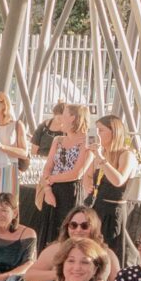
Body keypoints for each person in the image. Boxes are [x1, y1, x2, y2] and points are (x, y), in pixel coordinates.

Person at [34, 103, 92, 244]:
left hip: (71, 191)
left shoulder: (88, 141)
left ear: (73, 117)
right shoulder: (58, 140)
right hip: (52, 190)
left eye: (64, 114)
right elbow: (48, 166)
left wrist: (49, 179)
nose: (59, 119)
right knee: (50, 232)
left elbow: (76, 173)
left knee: (67, 231)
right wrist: (47, 190)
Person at [89, 115, 140, 244]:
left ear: (114, 132)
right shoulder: (102, 154)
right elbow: (88, 175)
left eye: (101, 130)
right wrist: (88, 185)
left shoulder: (126, 155)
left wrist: (101, 159)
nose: (98, 135)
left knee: (110, 247)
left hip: (113, 209)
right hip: (97, 206)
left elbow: (118, 181)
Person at [0, 89, 31, 201]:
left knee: (7, 205)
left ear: (3, 104)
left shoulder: (16, 125)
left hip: (8, 169)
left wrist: (2, 146)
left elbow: (24, 152)